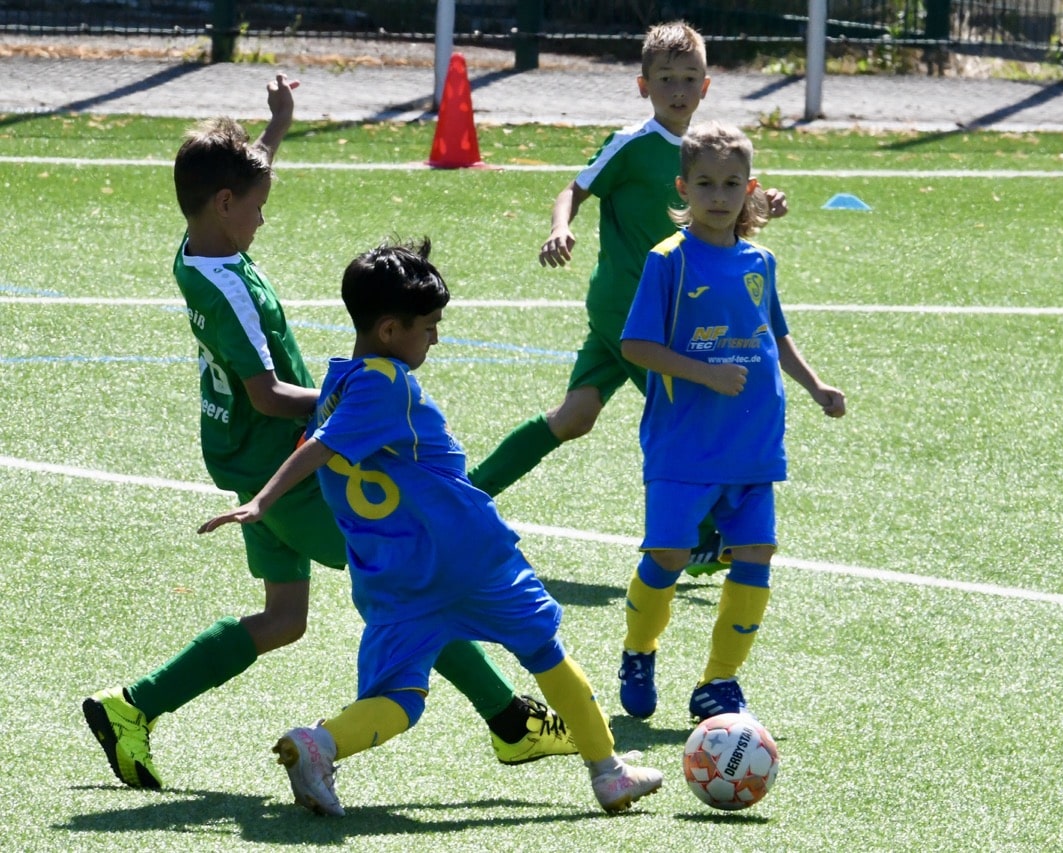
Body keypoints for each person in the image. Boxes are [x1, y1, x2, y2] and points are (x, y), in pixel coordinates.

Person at [81, 75, 575, 792]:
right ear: (225, 205)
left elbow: (238, 182)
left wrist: (274, 128)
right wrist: (365, 394)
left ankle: (134, 705)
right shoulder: (229, 291)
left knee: (284, 619)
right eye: (257, 208)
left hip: (252, 470)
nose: (263, 219)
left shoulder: (199, 246)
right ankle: (512, 722)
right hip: (292, 469)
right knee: (415, 579)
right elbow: (268, 393)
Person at [197, 238, 664, 816]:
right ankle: (609, 773)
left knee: (399, 699)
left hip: (395, 579)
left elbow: (323, 438)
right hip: (465, 559)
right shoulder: (384, 384)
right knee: (543, 648)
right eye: (429, 325)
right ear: (390, 330)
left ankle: (321, 744)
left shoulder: (337, 385)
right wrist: (264, 501)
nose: (436, 336)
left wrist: (266, 498)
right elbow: (320, 448)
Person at [465, 20, 787, 576]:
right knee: (688, 412)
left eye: (689, 78)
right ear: (644, 86)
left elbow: (726, 216)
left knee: (574, 417)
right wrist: (560, 228)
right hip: (633, 319)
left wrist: (765, 206)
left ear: (706, 86)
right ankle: (708, 534)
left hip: (665, 316)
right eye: (666, 79)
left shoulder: (706, 153)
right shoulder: (633, 145)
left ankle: (467, 495)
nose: (679, 90)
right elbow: (574, 187)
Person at [615, 121, 846, 722]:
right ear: (683, 187)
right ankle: (639, 650)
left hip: (752, 442)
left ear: (750, 189)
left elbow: (778, 336)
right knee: (666, 557)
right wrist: (705, 372)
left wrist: (816, 386)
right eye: (707, 184)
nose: (719, 196)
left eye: (732, 184)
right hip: (684, 447)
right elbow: (637, 346)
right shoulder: (668, 261)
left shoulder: (760, 260)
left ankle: (718, 682)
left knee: (757, 552)